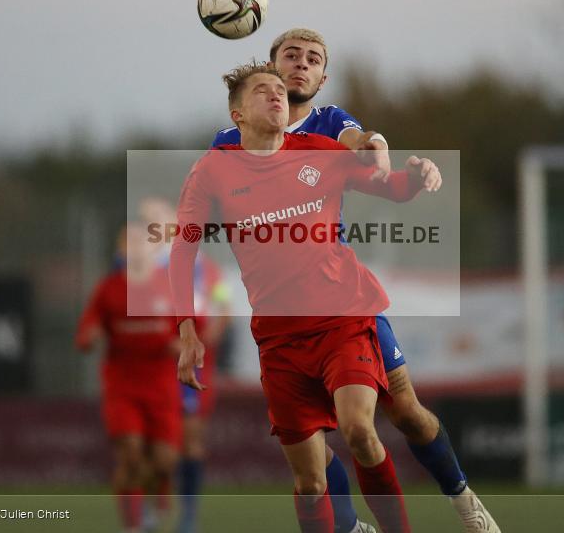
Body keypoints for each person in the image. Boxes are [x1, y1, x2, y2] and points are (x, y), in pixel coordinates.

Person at [212, 28, 499, 533]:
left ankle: (462, 498)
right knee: (312, 451)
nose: (301, 64)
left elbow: (361, 141)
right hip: (282, 322)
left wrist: (382, 150)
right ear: (270, 66)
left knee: (405, 412)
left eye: (313, 60)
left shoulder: (328, 121)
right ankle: (347, 526)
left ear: (323, 79)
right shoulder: (231, 141)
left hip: (341, 303)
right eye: (290, 56)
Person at [172, 62, 443, 533]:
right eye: (263, 91)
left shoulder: (320, 150)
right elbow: (184, 247)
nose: (277, 96)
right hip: (279, 339)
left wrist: (417, 176)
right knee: (311, 483)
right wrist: (187, 328)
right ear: (237, 115)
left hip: (342, 319)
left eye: (280, 89)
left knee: (360, 430)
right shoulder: (213, 170)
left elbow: (392, 188)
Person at [76, 224, 183, 533]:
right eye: (128, 243)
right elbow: (86, 332)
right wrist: (90, 337)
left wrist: (183, 343)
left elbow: (190, 328)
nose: (135, 249)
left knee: (165, 462)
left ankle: (157, 494)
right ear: (120, 250)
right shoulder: (108, 289)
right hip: (122, 387)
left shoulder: (169, 286)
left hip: (162, 387)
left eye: (141, 243)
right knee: (131, 453)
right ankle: (133, 524)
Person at [137, 197, 232, 533]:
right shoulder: (150, 267)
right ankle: (150, 507)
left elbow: (223, 306)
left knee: (191, 441)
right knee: (155, 441)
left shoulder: (207, 268)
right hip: (159, 365)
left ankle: (188, 517)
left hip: (199, 363)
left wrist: (207, 340)